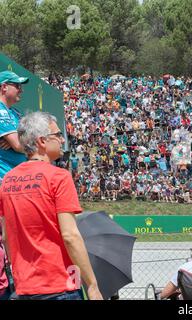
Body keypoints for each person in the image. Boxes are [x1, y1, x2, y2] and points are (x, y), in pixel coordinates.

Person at [0, 112, 103, 300]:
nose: (62, 140)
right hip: (60, 285)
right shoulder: (58, 177)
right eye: (57, 135)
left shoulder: (7, 180)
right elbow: (70, 236)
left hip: (24, 287)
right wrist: (93, 285)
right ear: (42, 141)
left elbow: (6, 236)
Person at [0, 70, 29, 301]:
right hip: (5, 181)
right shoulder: (0, 111)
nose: (21, 89)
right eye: (16, 85)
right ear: (3, 87)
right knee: (8, 232)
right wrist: (22, 142)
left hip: (18, 180)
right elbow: (19, 144)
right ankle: (11, 274)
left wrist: (22, 142)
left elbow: (23, 141)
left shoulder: (15, 112)